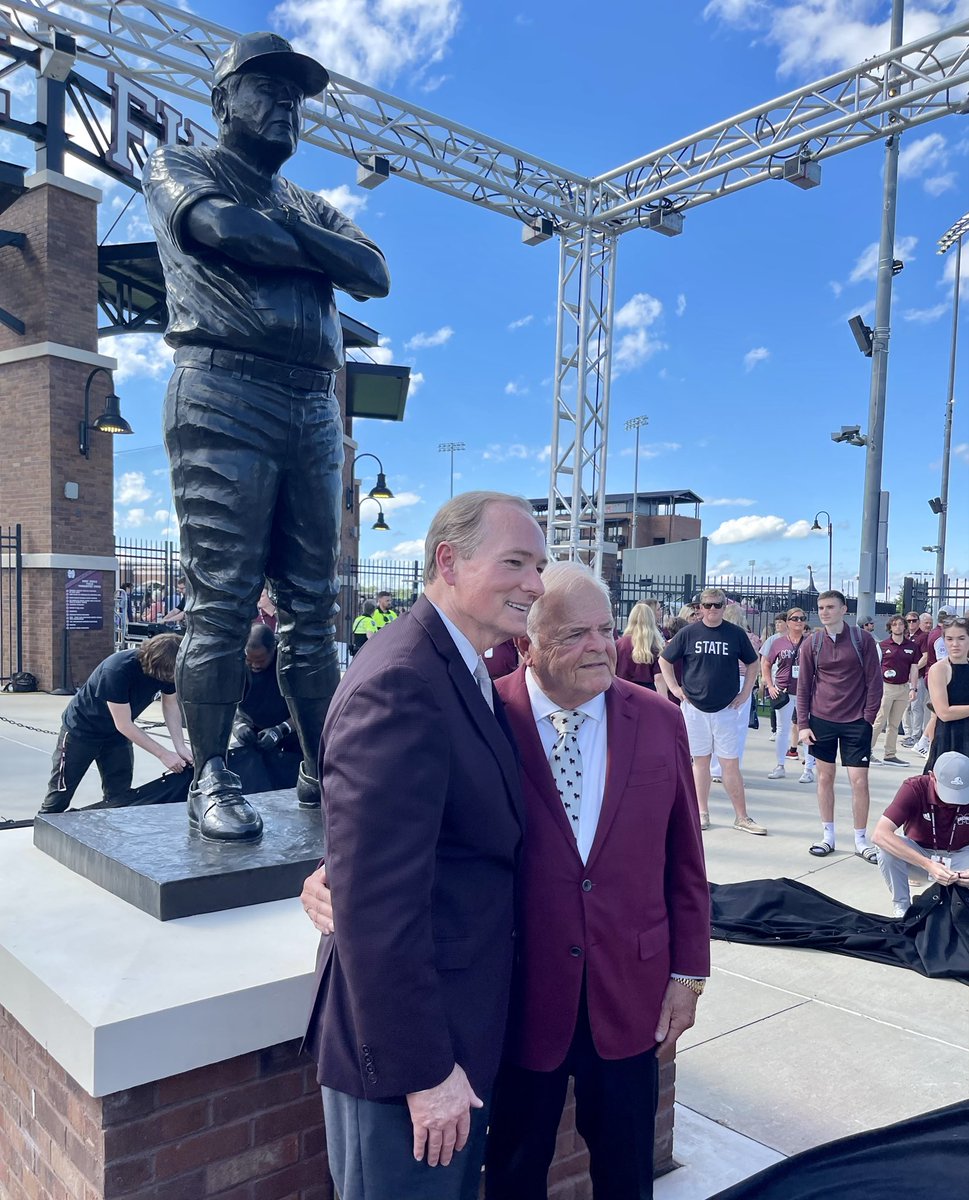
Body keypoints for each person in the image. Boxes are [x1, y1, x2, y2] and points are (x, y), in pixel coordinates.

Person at [303, 561, 710, 1200]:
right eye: (575, 635)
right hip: (519, 1004)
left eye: (605, 630)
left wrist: (688, 974)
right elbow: (406, 823)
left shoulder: (658, 720)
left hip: (632, 995)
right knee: (514, 1176)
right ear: (527, 644)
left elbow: (686, 863)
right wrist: (332, 874)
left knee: (628, 1175)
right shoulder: (485, 713)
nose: (600, 647)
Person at [144, 32, 390, 842]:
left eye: (295, 93)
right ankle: (209, 774)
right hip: (224, 389)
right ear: (221, 102)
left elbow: (375, 274)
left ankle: (323, 763)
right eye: (265, 87)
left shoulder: (304, 202)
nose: (285, 102)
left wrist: (313, 252)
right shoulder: (183, 163)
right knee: (219, 603)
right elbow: (230, 234)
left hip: (315, 405)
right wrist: (324, 261)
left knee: (314, 610)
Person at [302, 492, 547, 1200]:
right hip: (411, 1064)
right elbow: (378, 910)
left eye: (538, 564)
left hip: (450, 1038)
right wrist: (425, 1073)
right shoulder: (404, 681)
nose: (534, 583)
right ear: (448, 561)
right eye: (515, 562)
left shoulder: (460, 668)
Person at [40, 633, 191, 813]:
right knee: (60, 794)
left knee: (120, 797)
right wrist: (163, 754)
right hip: (81, 731)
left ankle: (112, 834)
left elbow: (170, 705)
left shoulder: (168, 669)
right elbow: (124, 723)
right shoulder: (117, 670)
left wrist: (180, 746)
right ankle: (46, 820)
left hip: (116, 737)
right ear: (157, 665)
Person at [659, 587, 766, 834]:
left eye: (717, 605)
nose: (712, 610)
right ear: (700, 607)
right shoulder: (688, 633)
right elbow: (664, 659)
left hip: (726, 708)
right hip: (694, 707)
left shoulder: (735, 634)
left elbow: (753, 662)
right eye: (707, 605)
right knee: (700, 762)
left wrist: (746, 691)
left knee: (730, 763)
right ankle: (701, 812)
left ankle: (742, 816)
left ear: (724, 606)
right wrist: (674, 688)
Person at [796, 590, 882, 862]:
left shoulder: (863, 640)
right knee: (824, 778)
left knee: (859, 782)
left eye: (830, 607)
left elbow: (875, 683)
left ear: (844, 609)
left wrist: (867, 719)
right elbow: (804, 686)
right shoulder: (812, 643)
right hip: (821, 720)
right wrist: (803, 724)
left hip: (856, 721)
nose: (824, 612)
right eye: (821, 607)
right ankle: (828, 837)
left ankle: (860, 840)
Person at [871, 751, 969, 918]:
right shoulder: (914, 787)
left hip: (961, 856)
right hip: (920, 855)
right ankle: (902, 908)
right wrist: (927, 864)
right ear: (932, 777)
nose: (953, 801)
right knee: (885, 849)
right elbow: (879, 834)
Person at [231, 622, 300, 789]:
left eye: (261, 660)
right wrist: (238, 725)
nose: (255, 665)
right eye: (250, 660)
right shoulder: (236, 662)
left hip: (291, 734)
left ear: (273, 649)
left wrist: (280, 729)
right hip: (254, 731)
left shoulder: (289, 664)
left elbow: (307, 711)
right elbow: (225, 704)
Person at [762, 608, 815, 784]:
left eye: (802, 618)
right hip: (784, 690)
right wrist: (769, 685)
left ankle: (808, 768)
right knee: (782, 729)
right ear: (787, 621)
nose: (799, 621)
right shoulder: (778, 643)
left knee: (805, 729)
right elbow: (766, 663)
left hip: (805, 691)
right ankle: (780, 765)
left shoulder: (811, 642)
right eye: (795, 618)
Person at [870, 615, 919, 766]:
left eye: (900, 624)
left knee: (894, 724)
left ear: (905, 627)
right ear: (890, 627)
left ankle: (890, 754)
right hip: (886, 686)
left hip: (903, 687)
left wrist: (913, 688)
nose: (898, 627)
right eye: (894, 624)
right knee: (880, 720)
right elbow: (874, 667)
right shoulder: (882, 645)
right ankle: (866, 750)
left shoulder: (912, 647)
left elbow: (914, 668)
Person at [924, 616, 969, 772]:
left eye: (961, 638)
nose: (955, 644)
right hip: (949, 739)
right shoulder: (939, 669)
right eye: (949, 639)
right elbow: (944, 713)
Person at [615, 601, 669, 697]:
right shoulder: (655, 645)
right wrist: (665, 702)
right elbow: (659, 678)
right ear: (650, 619)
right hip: (646, 694)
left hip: (621, 691)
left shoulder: (619, 644)